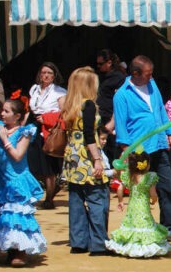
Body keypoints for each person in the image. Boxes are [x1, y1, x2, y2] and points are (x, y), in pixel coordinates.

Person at [114, 55, 171, 242]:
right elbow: (120, 124)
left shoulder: (153, 86)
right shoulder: (122, 94)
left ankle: (169, 227)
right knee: (140, 190)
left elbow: (161, 110)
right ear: (135, 73)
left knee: (167, 187)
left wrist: (169, 134)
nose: (151, 77)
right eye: (147, 74)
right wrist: (125, 149)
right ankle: (142, 228)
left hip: (160, 144)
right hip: (139, 149)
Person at [0, 99, 47, 267]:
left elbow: (17, 155)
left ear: (17, 116)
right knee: (3, 215)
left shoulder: (25, 132)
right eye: (2, 111)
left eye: (6, 111)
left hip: (17, 180)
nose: (2, 114)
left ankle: (20, 251)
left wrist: (4, 138)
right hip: (2, 180)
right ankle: (9, 249)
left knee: (16, 216)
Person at [61, 67, 110, 256]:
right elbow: (89, 135)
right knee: (97, 199)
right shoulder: (88, 105)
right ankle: (98, 243)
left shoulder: (70, 105)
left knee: (76, 200)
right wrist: (97, 159)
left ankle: (78, 242)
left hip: (72, 157)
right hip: (86, 158)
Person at [105, 150, 171, 258]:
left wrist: (120, 201)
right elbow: (153, 193)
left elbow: (120, 188)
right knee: (145, 223)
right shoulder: (150, 177)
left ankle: (129, 245)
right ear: (147, 164)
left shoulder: (129, 176)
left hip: (132, 206)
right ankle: (145, 247)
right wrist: (154, 200)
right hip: (143, 207)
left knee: (131, 222)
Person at [28, 62, 66, 209]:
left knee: (47, 166)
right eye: (43, 72)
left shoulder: (59, 91)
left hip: (49, 128)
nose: (46, 75)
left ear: (54, 75)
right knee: (33, 162)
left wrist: (48, 118)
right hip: (34, 125)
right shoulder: (34, 89)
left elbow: (64, 112)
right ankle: (44, 190)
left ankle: (49, 198)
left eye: (49, 73)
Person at [95, 49, 126, 166]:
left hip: (111, 116)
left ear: (109, 63)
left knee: (111, 146)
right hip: (100, 115)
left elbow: (120, 101)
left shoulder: (119, 77)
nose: (98, 67)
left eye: (100, 64)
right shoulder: (100, 76)